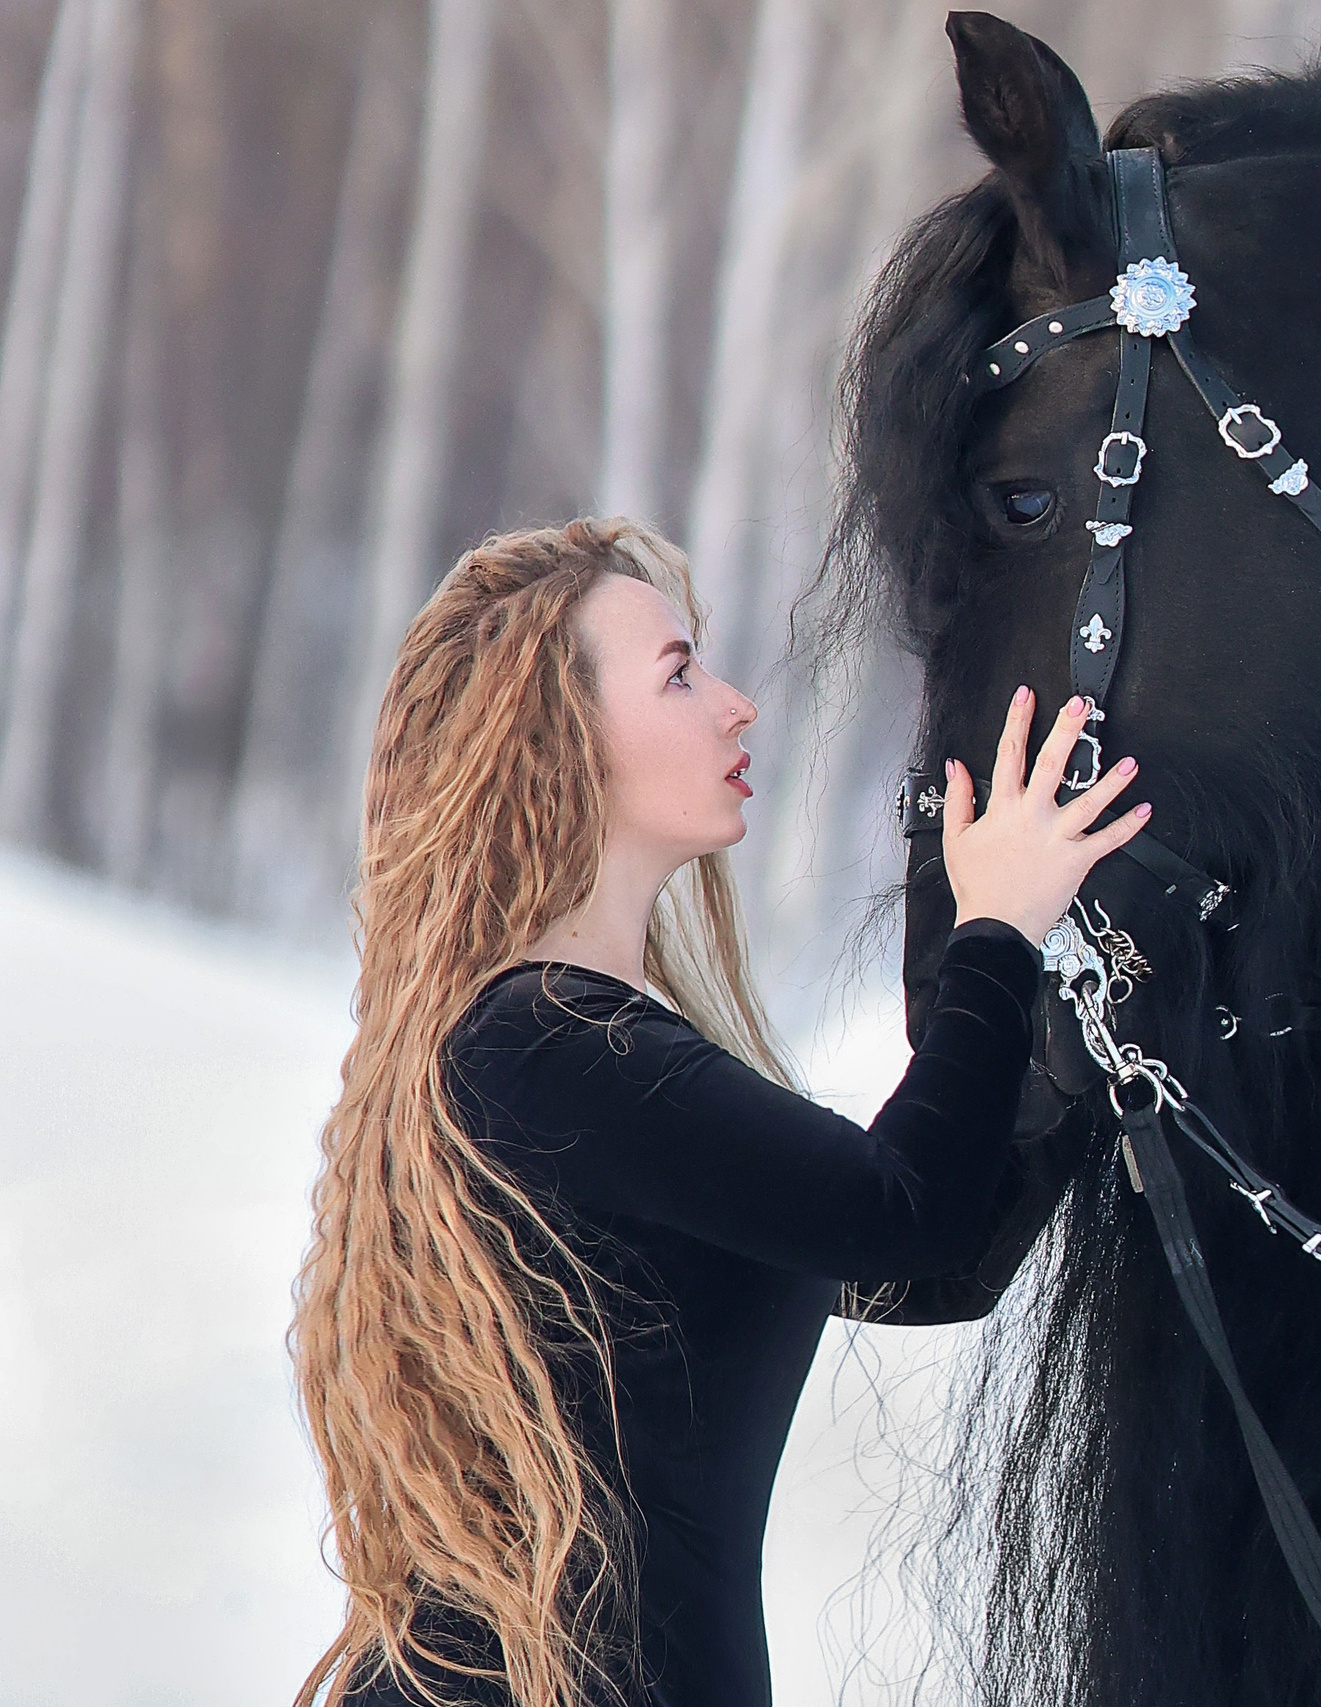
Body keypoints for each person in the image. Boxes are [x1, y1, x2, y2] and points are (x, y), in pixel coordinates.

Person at [288, 518, 1149, 1707]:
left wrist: (1100, 1026)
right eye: (680, 673)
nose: (738, 705)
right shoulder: (548, 1046)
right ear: (561, 736)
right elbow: (900, 1214)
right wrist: (992, 933)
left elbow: (931, 1261)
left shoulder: (555, 1045)